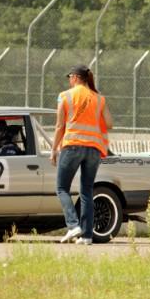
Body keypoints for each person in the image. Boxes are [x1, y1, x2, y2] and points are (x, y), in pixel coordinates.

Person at [51, 64, 113, 245]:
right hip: (94, 148)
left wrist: (54, 149)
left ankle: (73, 225)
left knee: (62, 188)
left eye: (69, 77)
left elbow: (59, 126)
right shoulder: (99, 98)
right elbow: (109, 123)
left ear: (76, 78)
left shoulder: (65, 96)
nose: (69, 81)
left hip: (72, 146)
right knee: (87, 190)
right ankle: (86, 236)